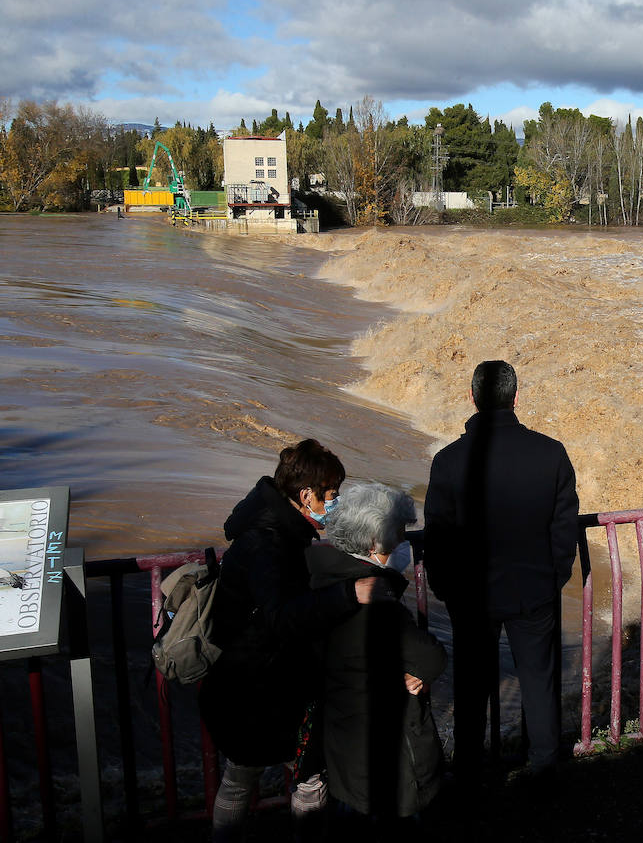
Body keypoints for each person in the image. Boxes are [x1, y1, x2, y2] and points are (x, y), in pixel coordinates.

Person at [200, 439, 385, 842]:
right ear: (306, 496)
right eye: (331, 495)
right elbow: (281, 617)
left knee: (240, 773)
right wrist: (350, 594)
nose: (335, 503)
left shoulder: (268, 527)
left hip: (243, 678)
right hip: (264, 686)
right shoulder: (270, 543)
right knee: (307, 777)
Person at [423, 360, 579, 786]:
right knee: (539, 684)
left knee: (472, 691)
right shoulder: (551, 453)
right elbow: (564, 528)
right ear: (515, 397)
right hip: (533, 590)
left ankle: (471, 778)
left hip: (471, 596)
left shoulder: (449, 461)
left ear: (473, 398)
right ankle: (545, 771)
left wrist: (446, 588)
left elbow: (437, 536)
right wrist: (552, 578)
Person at [305, 482, 447, 835]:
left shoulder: (324, 583)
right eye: (399, 532)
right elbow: (430, 659)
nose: (403, 542)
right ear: (374, 542)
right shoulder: (372, 598)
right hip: (388, 745)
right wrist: (418, 671)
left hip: (342, 736)